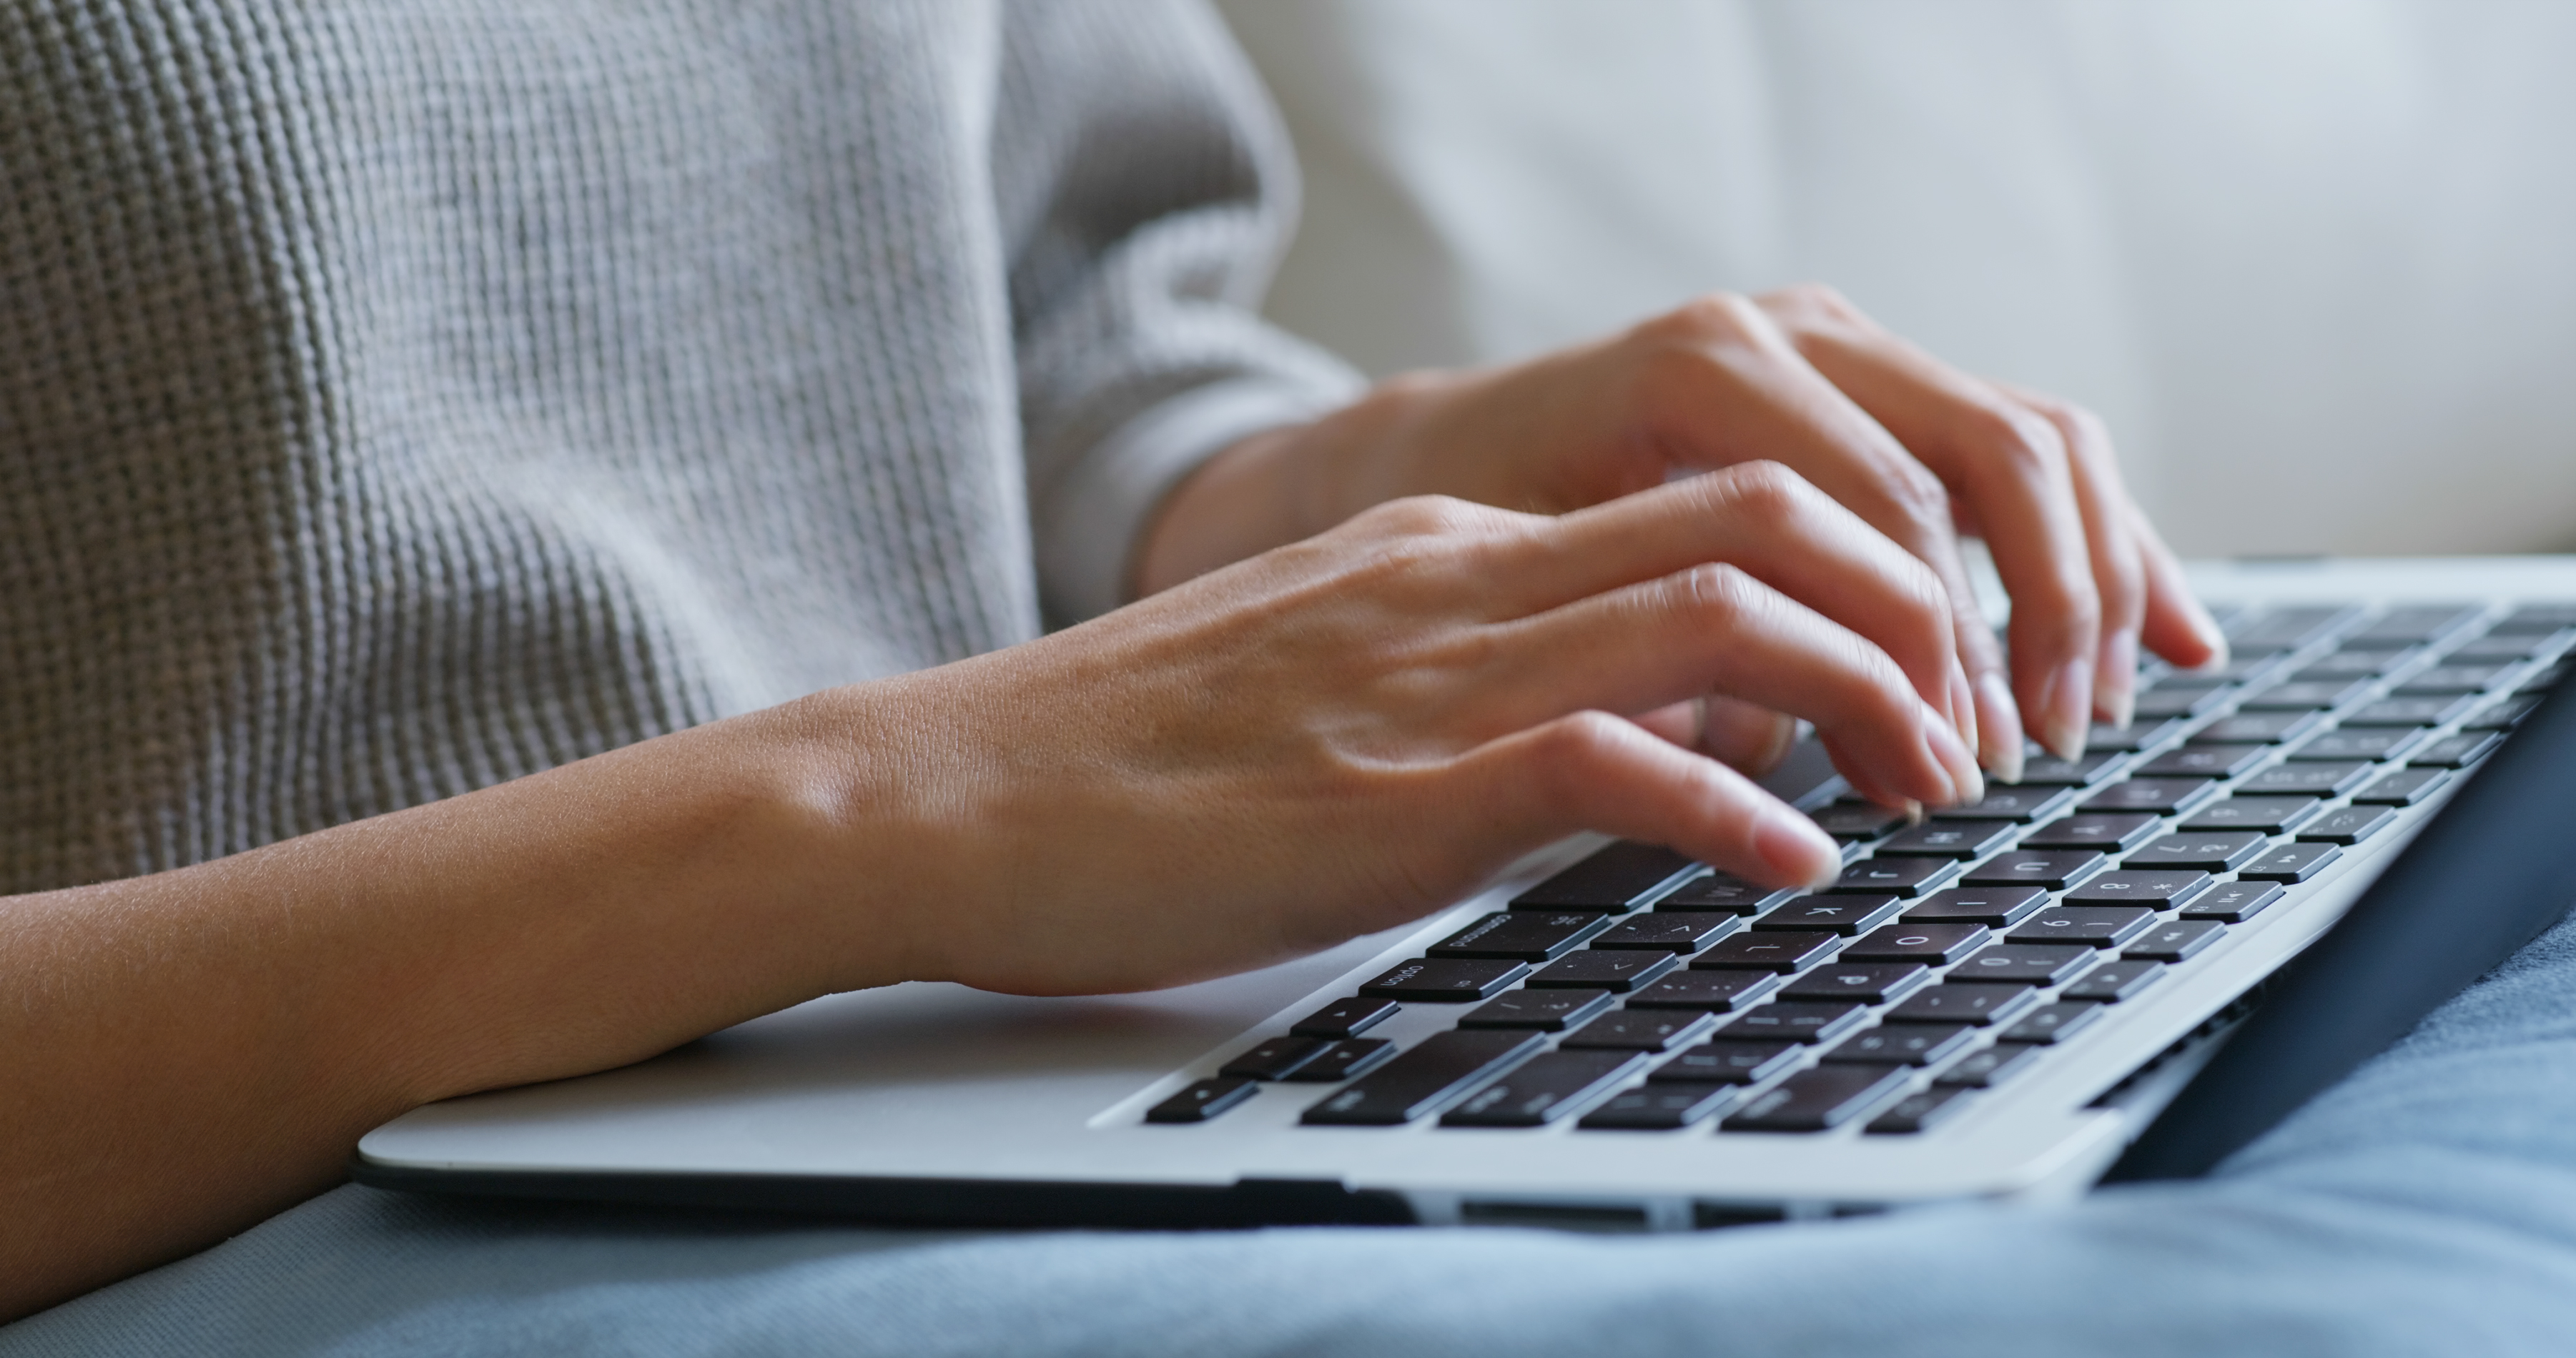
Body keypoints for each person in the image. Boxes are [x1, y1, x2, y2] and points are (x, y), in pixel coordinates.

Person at [9, 3, 2575, 1354]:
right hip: (259, 1186)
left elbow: (1047, 326)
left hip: (1033, 1027)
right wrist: (865, 809)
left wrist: (1359, 487)